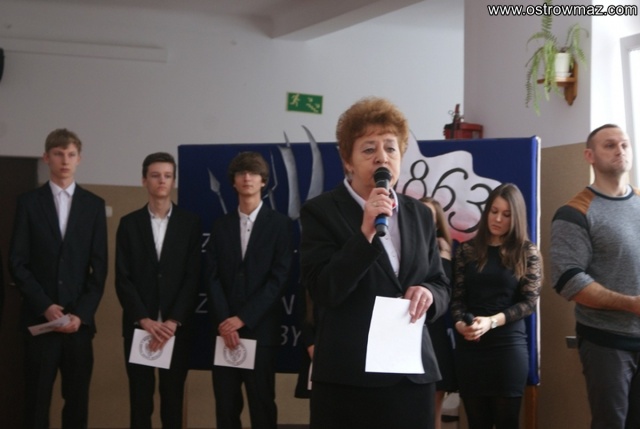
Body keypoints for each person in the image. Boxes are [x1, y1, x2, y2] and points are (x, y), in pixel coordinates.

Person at [299, 97, 450, 429]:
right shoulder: (320, 212)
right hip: (349, 378)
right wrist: (365, 233)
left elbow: (440, 282)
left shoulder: (419, 214)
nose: (382, 156)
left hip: (411, 375)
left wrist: (428, 293)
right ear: (347, 161)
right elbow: (325, 290)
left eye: (390, 148)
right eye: (369, 149)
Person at [9, 128, 108, 429]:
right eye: (58, 154)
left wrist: (81, 314)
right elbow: (17, 262)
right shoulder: (28, 202)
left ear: (79, 159)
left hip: (78, 325)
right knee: (36, 403)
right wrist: (45, 305)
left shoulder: (93, 205)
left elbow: (99, 268)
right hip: (40, 322)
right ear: (46, 157)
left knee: (77, 404)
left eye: (71, 154)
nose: (65, 160)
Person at [550, 124, 640, 429]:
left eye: (624, 144)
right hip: (607, 342)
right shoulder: (574, 212)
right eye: (610, 145)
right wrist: (631, 304)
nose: (620, 151)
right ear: (590, 155)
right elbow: (569, 280)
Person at [207, 151, 293, 429]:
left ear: (263, 181)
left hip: (261, 331)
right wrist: (226, 321)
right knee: (226, 407)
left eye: (253, 173)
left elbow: (279, 279)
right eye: (241, 173)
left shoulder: (280, 225)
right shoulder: (220, 226)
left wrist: (243, 318)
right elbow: (212, 277)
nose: (247, 178)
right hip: (224, 332)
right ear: (233, 181)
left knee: (262, 405)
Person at [115, 152, 202, 429]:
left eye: (167, 176)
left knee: (173, 401)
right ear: (144, 180)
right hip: (140, 327)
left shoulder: (190, 223)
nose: (161, 181)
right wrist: (144, 319)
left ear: (173, 181)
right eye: (155, 175)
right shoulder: (129, 223)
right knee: (140, 402)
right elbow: (122, 278)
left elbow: (193, 277)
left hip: (176, 329)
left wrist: (173, 320)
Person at [451, 183, 541, 429]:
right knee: (476, 422)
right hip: (471, 348)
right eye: (494, 211)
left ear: (516, 217)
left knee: (506, 421)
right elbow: (457, 299)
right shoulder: (467, 250)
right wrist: (460, 325)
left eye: (506, 214)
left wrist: (492, 321)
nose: (498, 219)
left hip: (508, 348)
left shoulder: (526, 251)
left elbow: (529, 303)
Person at [420, 196, 458, 429]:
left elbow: (444, 290)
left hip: (434, 331)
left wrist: (442, 252)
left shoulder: (442, 248)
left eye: (429, 217)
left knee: (434, 401)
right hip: (406, 329)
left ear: (437, 224)